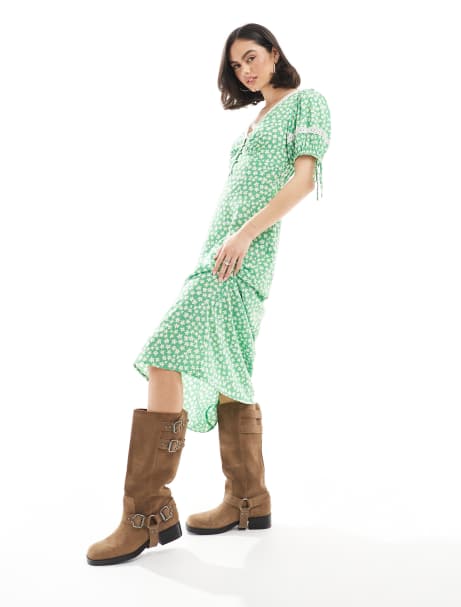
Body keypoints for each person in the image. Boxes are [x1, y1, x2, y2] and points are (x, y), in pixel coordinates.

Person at [86, 22, 331, 566]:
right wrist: (226, 240)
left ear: (274, 53)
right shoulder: (255, 120)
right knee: (228, 372)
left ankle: (146, 513)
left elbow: (302, 180)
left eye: (252, 57)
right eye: (237, 65)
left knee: (164, 357)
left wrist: (243, 236)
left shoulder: (306, 102)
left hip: (243, 256)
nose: (246, 70)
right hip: (218, 254)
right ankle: (248, 500)